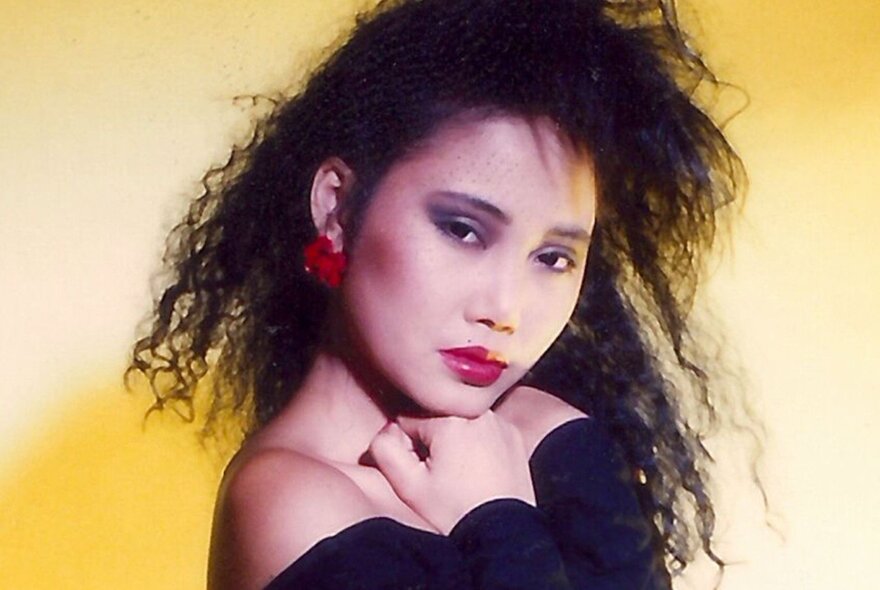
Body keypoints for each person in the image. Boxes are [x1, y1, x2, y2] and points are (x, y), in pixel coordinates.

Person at [129, 0, 759, 588]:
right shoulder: (286, 501)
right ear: (338, 207)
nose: (505, 310)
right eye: (462, 230)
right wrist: (496, 518)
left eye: (553, 257)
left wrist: (540, 482)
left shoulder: (545, 440)